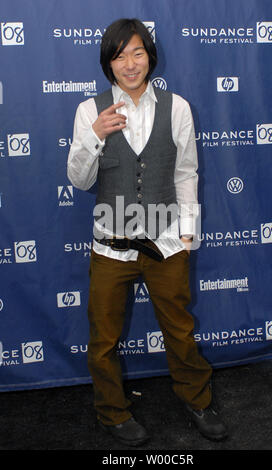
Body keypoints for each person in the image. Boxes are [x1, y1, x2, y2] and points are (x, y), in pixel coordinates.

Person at [67, 18, 228, 447]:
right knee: (102, 338)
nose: (130, 63)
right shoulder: (89, 110)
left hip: (166, 242)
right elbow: (80, 181)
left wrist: (188, 233)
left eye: (137, 52)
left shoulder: (178, 107)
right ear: (109, 63)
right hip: (111, 245)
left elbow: (186, 172)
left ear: (150, 56)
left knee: (179, 329)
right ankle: (112, 412)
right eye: (119, 55)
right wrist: (94, 138)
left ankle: (197, 399)